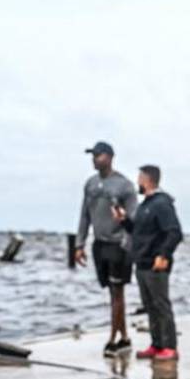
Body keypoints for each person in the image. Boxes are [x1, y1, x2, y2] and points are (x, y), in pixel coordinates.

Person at [113, 164, 183, 361]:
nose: (137, 182)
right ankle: (156, 344)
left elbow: (174, 232)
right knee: (150, 306)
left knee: (161, 305)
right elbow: (139, 232)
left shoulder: (162, 203)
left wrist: (163, 255)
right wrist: (124, 221)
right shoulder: (146, 205)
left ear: (147, 179)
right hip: (142, 263)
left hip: (156, 264)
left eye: (139, 178)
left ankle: (170, 346)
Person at [76, 141, 138, 356]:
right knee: (112, 293)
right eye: (93, 155)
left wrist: (126, 230)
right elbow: (84, 215)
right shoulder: (90, 184)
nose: (95, 159)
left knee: (117, 292)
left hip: (118, 244)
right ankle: (125, 337)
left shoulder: (124, 185)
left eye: (99, 155)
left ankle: (113, 338)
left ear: (110, 157)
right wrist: (79, 244)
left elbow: (134, 220)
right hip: (99, 244)